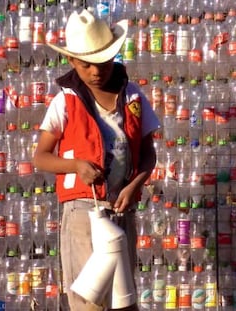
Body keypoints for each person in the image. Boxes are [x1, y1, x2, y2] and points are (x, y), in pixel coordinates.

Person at [32, 9, 160, 311]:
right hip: (82, 214)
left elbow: (148, 154)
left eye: (102, 62)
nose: (95, 71)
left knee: (123, 298)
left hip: (121, 211)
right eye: (86, 64)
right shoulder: (66, 101)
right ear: (72, 62)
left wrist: (134, 186)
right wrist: (76, 166)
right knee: (89, 300)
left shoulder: (132, 97)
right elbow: (41, 157)